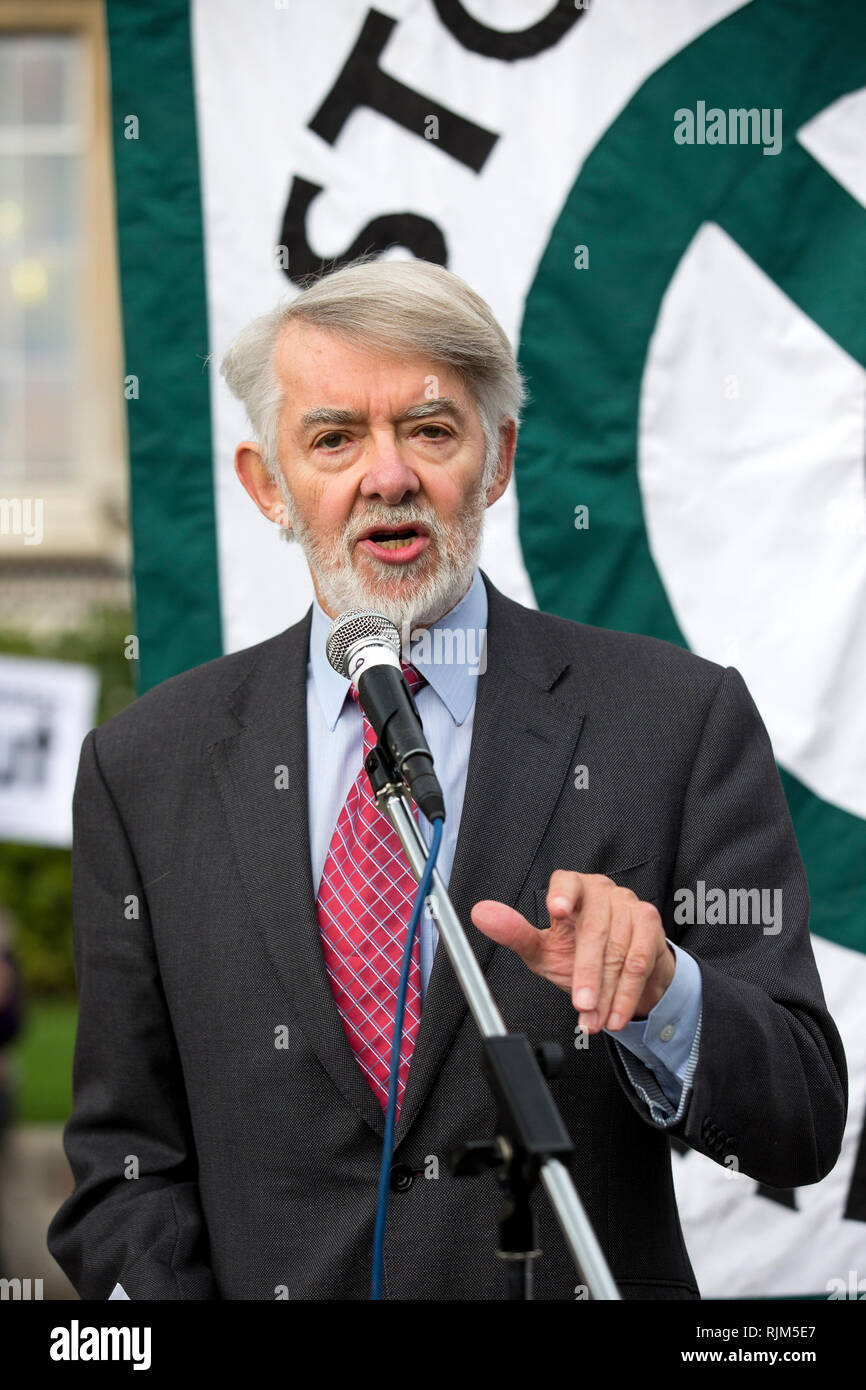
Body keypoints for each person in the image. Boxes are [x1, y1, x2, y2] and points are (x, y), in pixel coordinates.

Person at [47, 259, 846, 1301]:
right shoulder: (144, 768)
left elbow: (798, 1121)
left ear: (498, 456)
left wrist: (661, 996)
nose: (387, 477)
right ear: (266, 485)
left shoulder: (672, 722)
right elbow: (123, 1168)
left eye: (430, 430)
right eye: (333, 438)